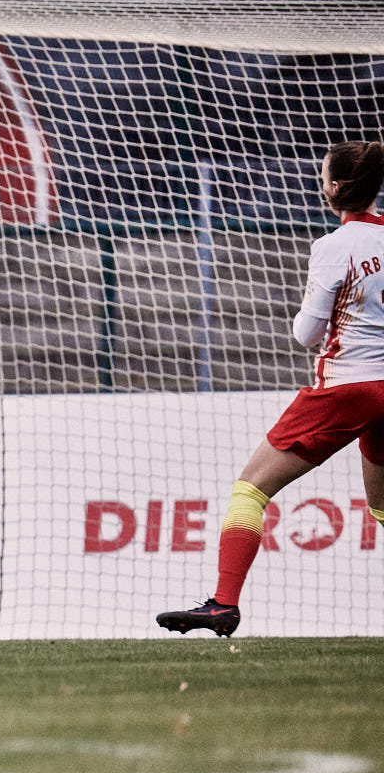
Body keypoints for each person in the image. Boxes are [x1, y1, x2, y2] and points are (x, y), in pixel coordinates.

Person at [158, 140, 384, 637]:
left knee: (250, 489)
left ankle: (223, 603)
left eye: (323, 175)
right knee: (382, 508)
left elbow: (306, 334)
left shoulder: (333, 247)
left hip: (348, 386)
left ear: (335, 188)